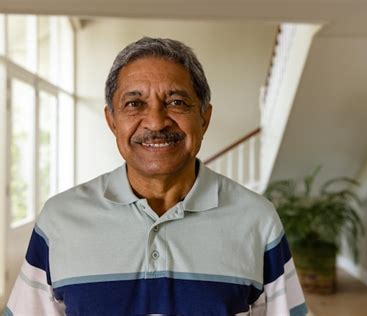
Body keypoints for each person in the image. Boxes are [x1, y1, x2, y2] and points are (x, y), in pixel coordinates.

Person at [4, 37, 307, 315]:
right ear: (112, 120)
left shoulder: (257, 219)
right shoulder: (59, 220)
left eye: (176, 102)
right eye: (135, 104)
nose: (156, 122)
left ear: (204, 117)